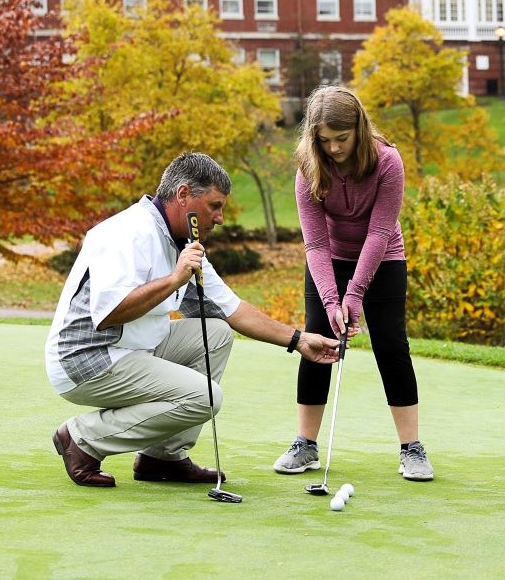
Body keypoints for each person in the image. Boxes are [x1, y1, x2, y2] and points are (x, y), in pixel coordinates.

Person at [46, 152, 341, 488]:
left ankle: (163, 457)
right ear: (183, 194)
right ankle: (82, 438)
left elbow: (233, 311)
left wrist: (299, 340)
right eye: (214, 206)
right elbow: (109, 314)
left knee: (216, 332)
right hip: (87, 358)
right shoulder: (129, 232)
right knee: (205, 397)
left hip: (132, 350)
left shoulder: (182, 243)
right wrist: (174, 279)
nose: (219, 218)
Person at [272, 86, 434, 481]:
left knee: (392, 345)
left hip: (384, 258)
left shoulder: (388, 162)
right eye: (324, 140)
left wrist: (355, 293)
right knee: (317, 340)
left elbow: (380, 231)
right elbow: (315, 241)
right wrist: (332, 300)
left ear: (358, 130)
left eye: (341, 139)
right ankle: (305, 444)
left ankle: (411, 448)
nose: (333, 148)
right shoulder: (309, 167)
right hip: (328, 258)